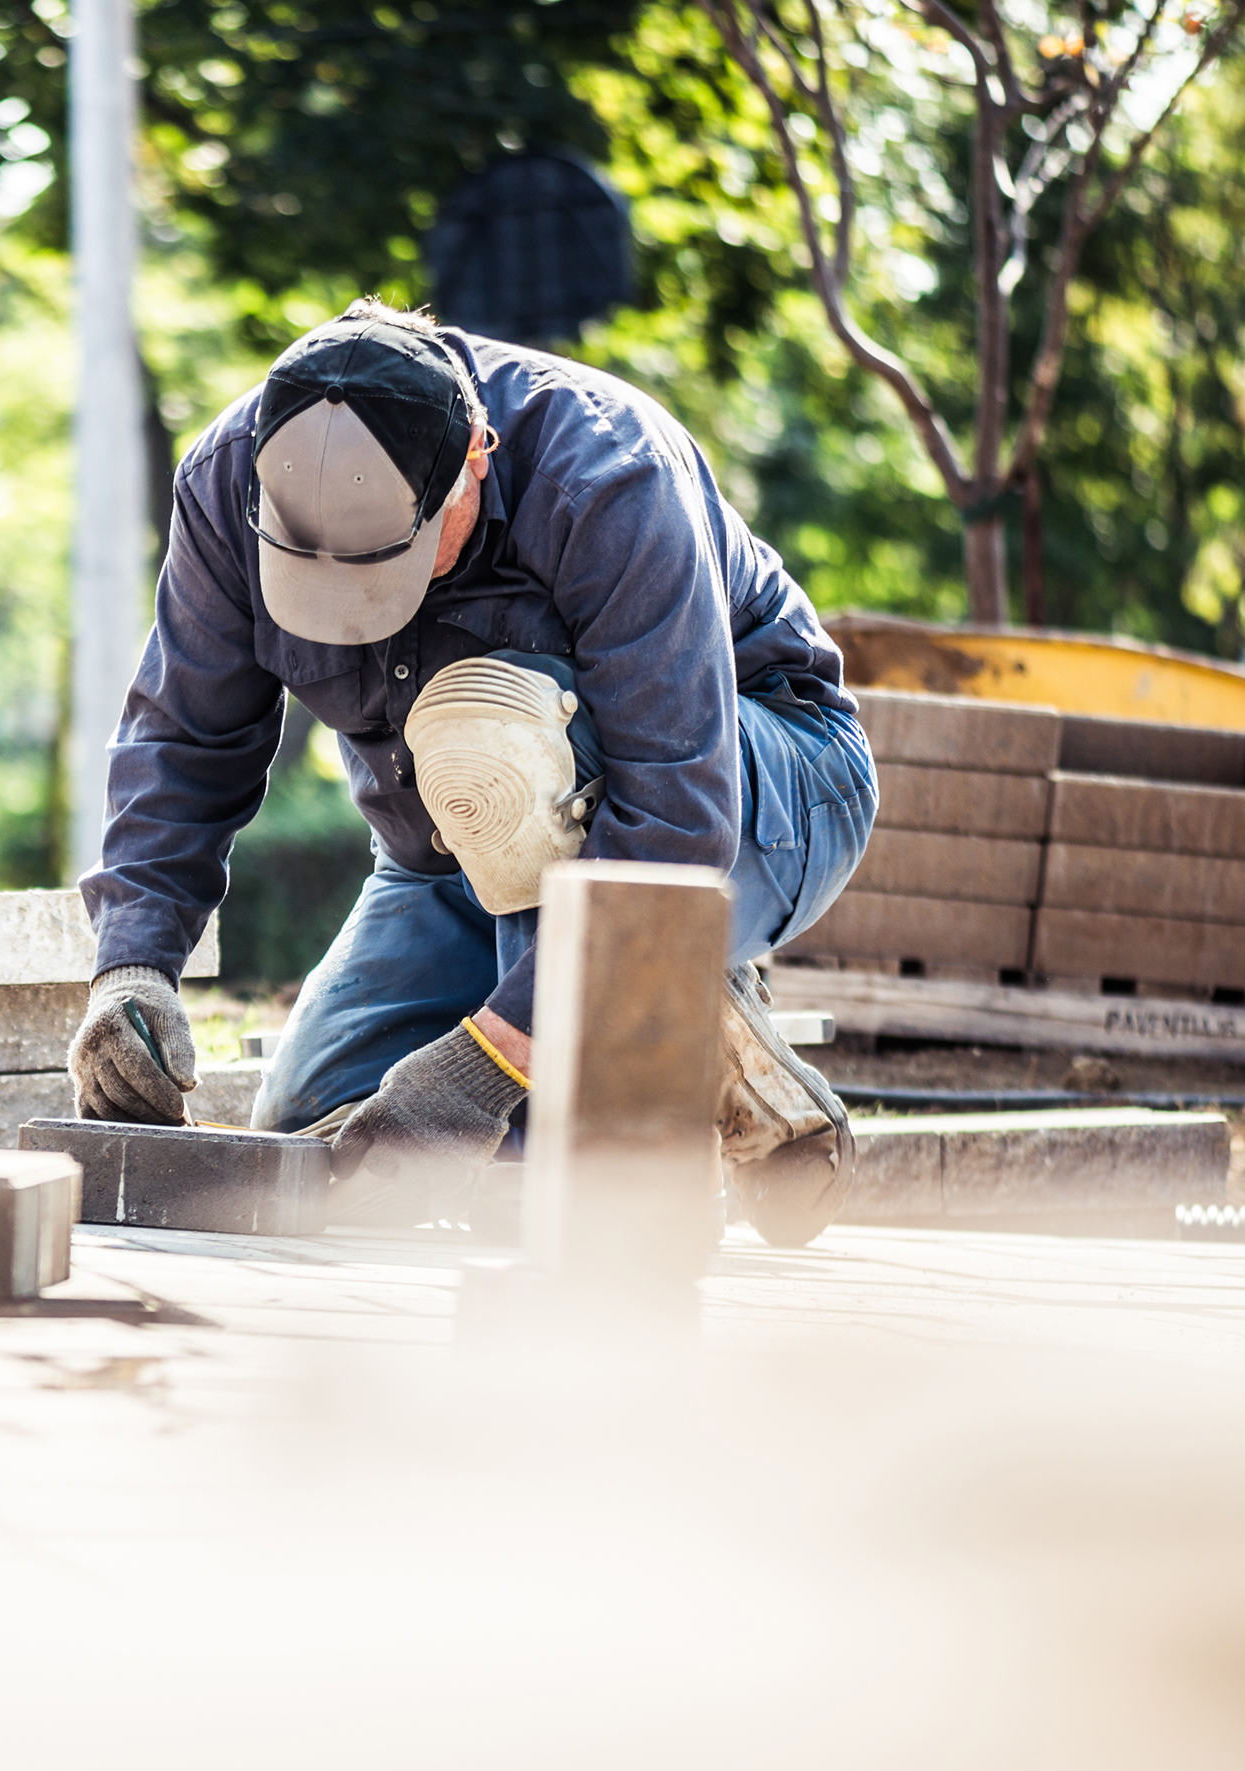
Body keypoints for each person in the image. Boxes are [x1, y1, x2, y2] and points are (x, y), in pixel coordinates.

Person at [67, 300, 877, 1245]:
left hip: (758, 798)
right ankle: (678, 1036)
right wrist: (133, 969)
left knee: (527, 1142)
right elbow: (182, 739)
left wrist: (488, 1062)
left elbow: (675, 822)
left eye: (392, 564)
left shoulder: (607, 476)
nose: (362, 602)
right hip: (451, 855)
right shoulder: (224, 482)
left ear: (476, 460)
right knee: (321, 1149)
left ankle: (660, 1069)